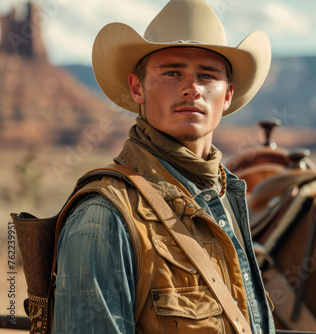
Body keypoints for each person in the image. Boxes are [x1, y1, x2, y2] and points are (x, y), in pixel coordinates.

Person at [52, 0, 274, 333]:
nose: (192, 88)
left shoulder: (226, 196)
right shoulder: (106, 215)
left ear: (227, 95)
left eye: (207, 75)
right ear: (137, 88)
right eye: (172, 72)